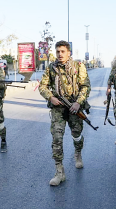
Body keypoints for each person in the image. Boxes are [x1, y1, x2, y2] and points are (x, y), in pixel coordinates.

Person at [39, 40, 91, 186]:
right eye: (58, 52)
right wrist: (51, 97)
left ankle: (78, 153)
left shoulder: (78, 66)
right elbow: (42, 86)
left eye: (63, 51)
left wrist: (78, 102)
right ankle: (59, 172)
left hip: (74, 107)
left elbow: (85, 86)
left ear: (69, 53)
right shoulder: (51, 68)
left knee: (77, 135)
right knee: (56, 138)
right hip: (58, 108)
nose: (60, 54)